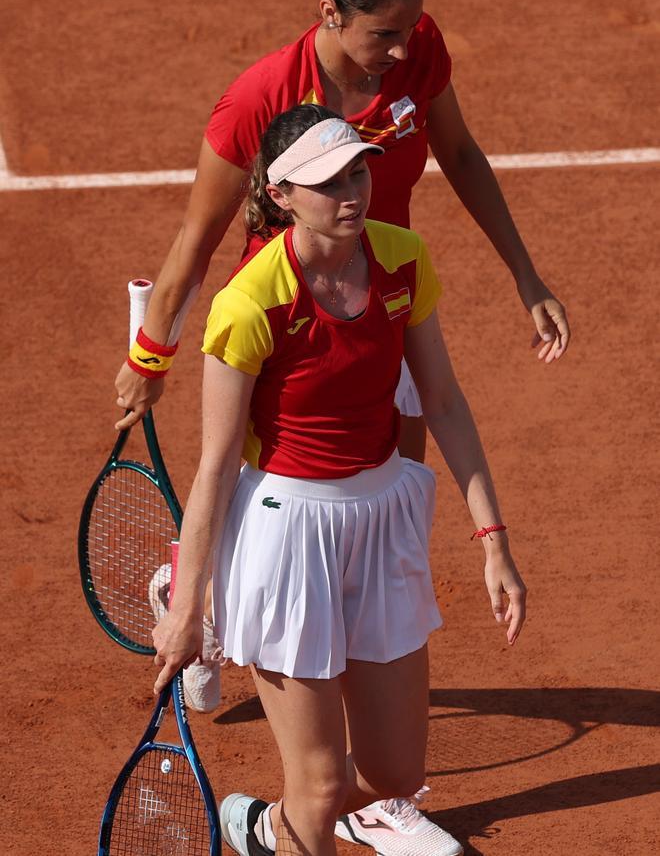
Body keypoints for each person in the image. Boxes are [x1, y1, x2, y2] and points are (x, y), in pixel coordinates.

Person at [129, 0, 559, 852]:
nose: (405, 50)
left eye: (413, 29)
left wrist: (526, 273)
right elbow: (198, 241)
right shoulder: (258, 100)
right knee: (260, 477)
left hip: (386, 299)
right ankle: (191, 591)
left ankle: (372, 794)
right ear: (331, 16)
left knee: (384, 466)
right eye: (385, 35)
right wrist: (150, 352)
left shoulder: (414, 71)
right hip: (285, 331)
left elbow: (458, 150)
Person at [152, 105, 527, 856]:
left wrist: (494, 542)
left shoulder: (404, 259)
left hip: (382, 518)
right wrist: (190, 604)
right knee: (321, 787)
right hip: (287, 533)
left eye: (357, 169)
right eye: (327, 180)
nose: (351, 190)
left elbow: (445, 404)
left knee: (394, 773)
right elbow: (217, 465)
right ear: (283, 194)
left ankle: (266, 829)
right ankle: (297, 818)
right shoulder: (250, 302)